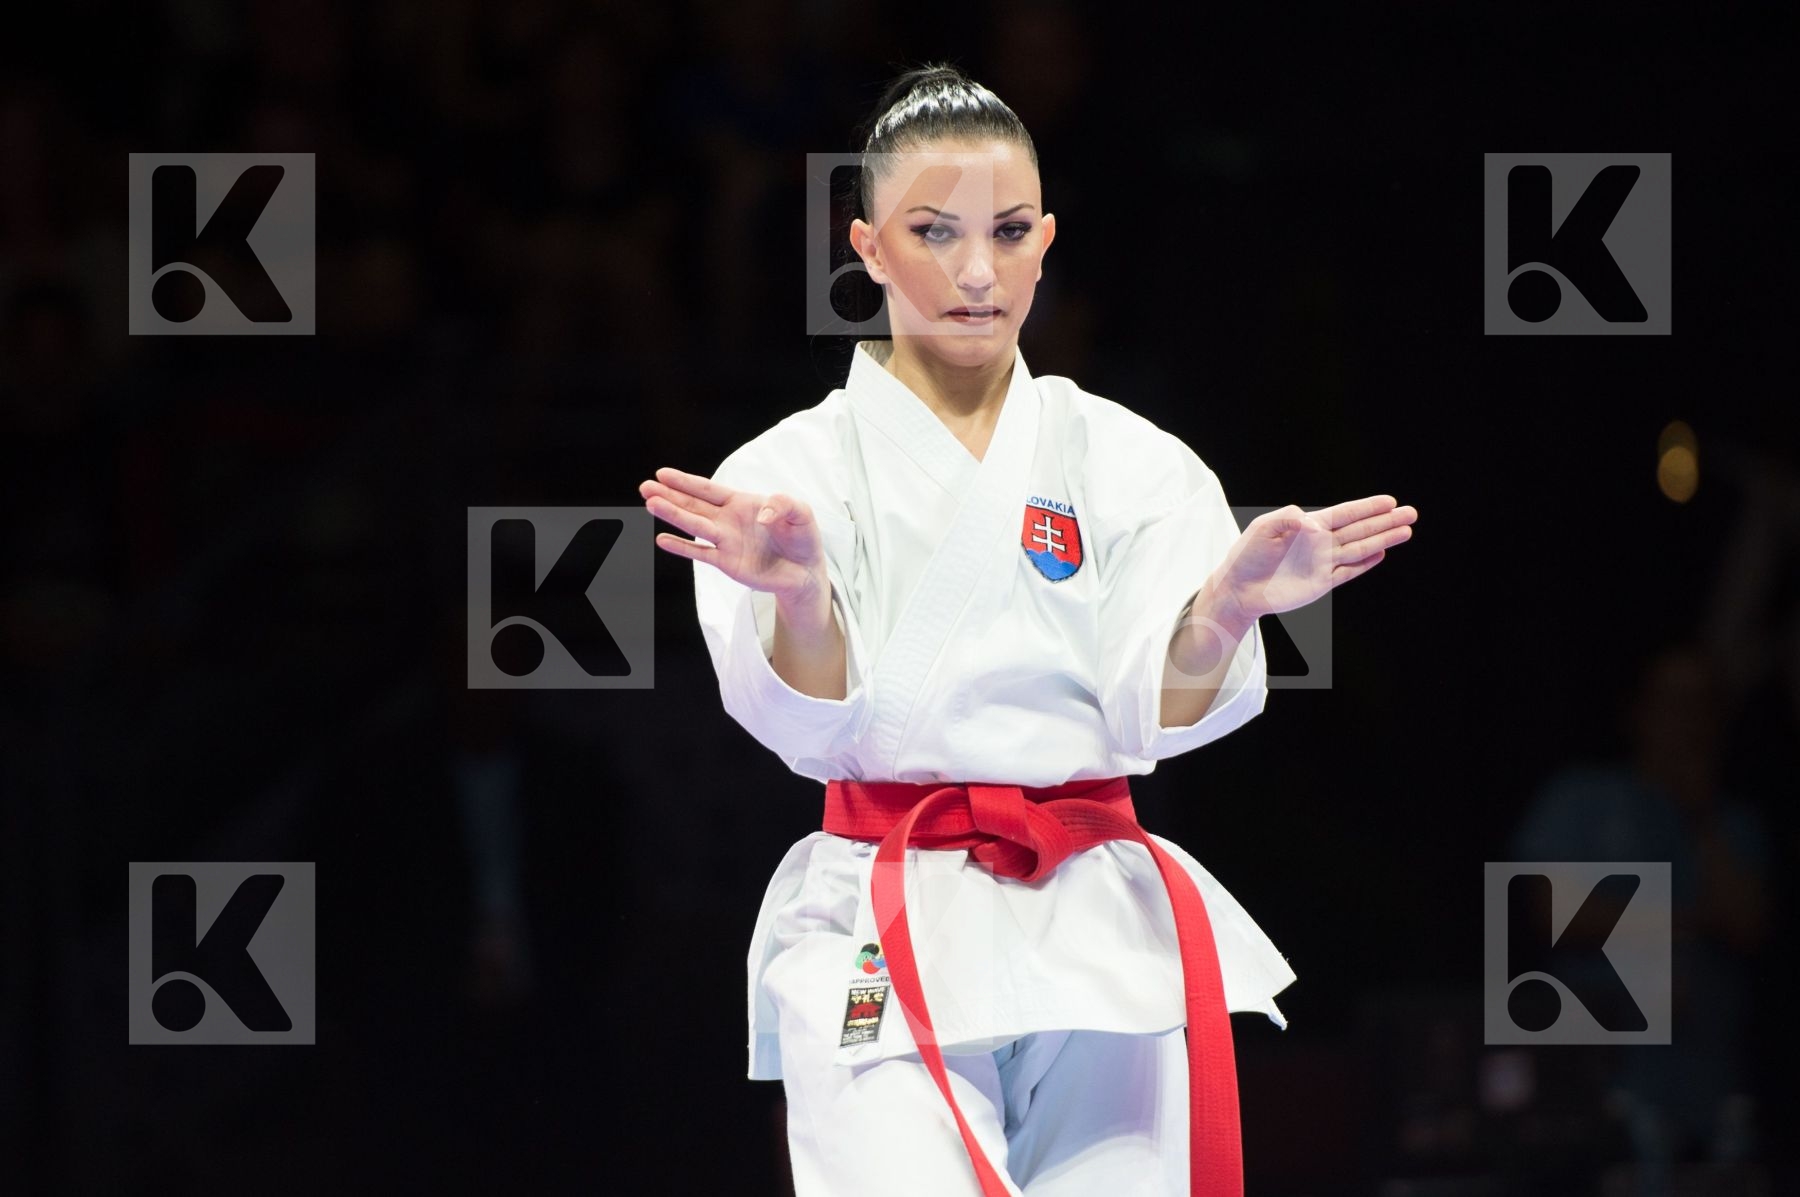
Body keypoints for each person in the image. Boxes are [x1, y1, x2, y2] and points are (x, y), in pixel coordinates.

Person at [639, 63, 1418, 1196]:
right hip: (885, 899)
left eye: (1008, 232)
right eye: (933, 231)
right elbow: (805, 722)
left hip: (1095, 910)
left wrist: (1226, 611)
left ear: (1047, 239)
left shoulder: (1134, 463)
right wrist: (801, 599)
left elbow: (1155, 706)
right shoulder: (783, 475)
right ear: (865, 248)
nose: (974, 271)